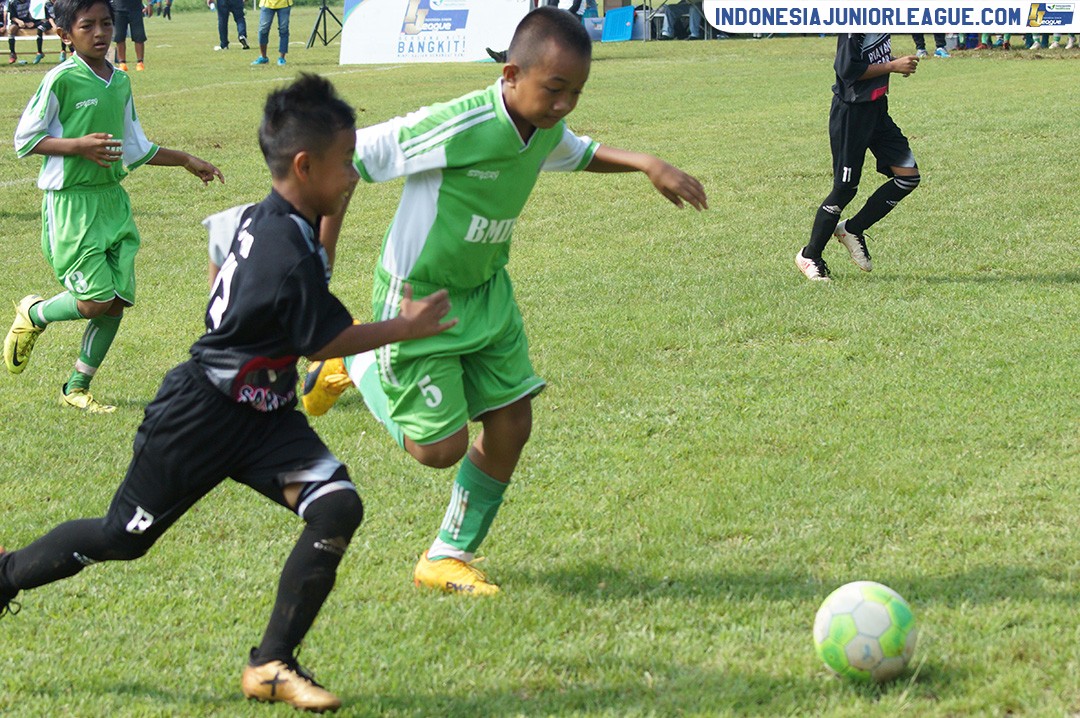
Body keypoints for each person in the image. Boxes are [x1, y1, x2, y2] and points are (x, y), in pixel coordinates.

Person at [0, 71, 457, 713]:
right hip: (201, 415)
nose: (354, 175)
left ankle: (271, 664)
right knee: (122, 539)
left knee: (337, 507)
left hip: (264, 414)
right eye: (345, 164)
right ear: (304, 165)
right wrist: (407, 327)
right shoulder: (284, 252)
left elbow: (240, 249)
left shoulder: (274, 216)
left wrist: (331, 212)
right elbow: (323, 341)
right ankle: (4, 573)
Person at [304, 7, 707, 595]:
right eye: (555, 89)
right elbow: (347, 162)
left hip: (489, 293)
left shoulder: (541, 126)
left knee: (513, 421)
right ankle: (353, 359)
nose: (565, 104)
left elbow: (576, 150)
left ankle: (445, 556)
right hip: (420, 301)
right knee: (438, 450)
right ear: (512, 74)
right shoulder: (459, 123)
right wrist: (320, 262)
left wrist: (648, 163)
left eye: (576, 92)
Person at [4, 0, 224, 412]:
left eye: (106, 23)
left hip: (112, 202)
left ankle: (75, 388)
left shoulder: (120, 81)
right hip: (72, 205)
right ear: (66, 34)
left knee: (117, 300)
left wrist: (187, 160)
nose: (101, 33)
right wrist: (77, 147)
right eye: (88, 25)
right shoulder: (61, 80)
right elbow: (25, 139)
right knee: (93, 301)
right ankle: (34, 313)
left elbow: (135, 147)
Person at [796, 34, 921, 281]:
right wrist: (892, 66)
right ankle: (810, 255)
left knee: (908, 177)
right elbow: (846, 69)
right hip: (851, 115)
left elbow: (867, 59)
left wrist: (894, 62)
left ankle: (852, 229)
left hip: (877, 111)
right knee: (845, 189)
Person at [6, 0, 49, 64]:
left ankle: (39, 52)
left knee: (43, 23)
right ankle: (12, 54)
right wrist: (19, 22)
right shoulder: (13, 2)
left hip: (27, 20)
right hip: (17, 22)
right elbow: (12, 17)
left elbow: (28, 12)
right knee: (11, 29)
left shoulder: (28, 1)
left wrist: (31, 21)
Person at [250, 0, 289, 66]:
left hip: (284, 4)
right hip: (267, 3)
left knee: (283, 29)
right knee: (263, 30)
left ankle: (282, 58)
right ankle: (263, 57)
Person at [112, 0, 146, 70]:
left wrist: (150, 4)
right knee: (119, 36)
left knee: (139, 35)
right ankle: (122, 63)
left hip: (135, 8)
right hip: (118, 8)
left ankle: (140, 62)